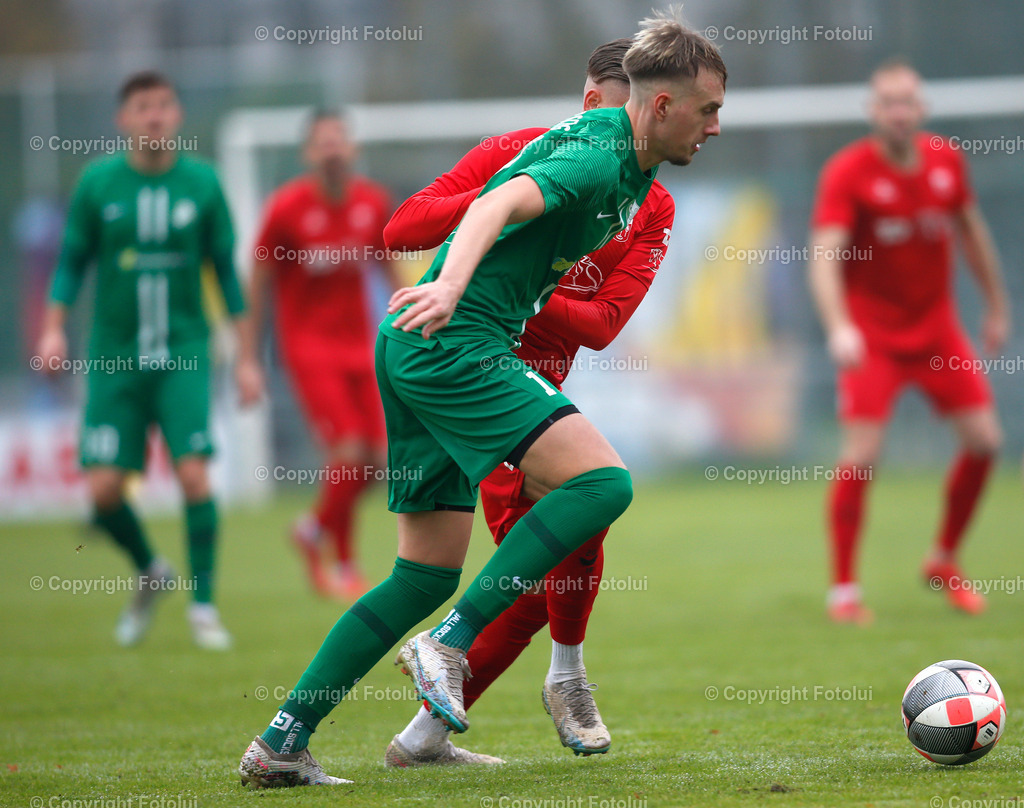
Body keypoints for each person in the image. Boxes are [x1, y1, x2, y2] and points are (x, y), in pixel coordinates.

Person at [239, 10, 724, 786]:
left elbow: (586, 304)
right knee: (603, 483)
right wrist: (450, 288)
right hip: (456, 343)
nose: (717, 127)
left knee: (425, 573)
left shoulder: (636, 175)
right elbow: (491, 206)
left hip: (420, 348)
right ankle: (452, 643)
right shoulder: (601, 156)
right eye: (709, 110)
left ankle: (281, 742)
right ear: (659, 106)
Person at [381, 38, 675, 766]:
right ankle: (553, 676)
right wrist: (497, 211)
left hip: (541, 394)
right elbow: (402, 227)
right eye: (591, 105)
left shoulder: (651, 203)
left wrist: (527, 282)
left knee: (559, 551)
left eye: (610, 113)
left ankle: (420, 733)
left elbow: (604, 325)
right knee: (575, 523)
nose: (596, 125)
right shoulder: (528, 152)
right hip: (474, 374)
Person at [36, 70, 263, 650]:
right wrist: (54, 329)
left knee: (193, 472)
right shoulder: (99, 184)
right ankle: (150, 570)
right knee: (105, 492)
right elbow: (70, 263)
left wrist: (244, 359)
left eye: (164, 104)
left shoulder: (203, 185)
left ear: (177, 115)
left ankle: (204, 607)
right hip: (115, 359)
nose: (155, 116)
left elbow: (227, 277)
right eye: (143, 107)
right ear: (125, 119)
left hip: (185, 352)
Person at [808, 59, 1008, 625]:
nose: (898, 112)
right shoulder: (847, 172)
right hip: (872, 332)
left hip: (937, 327)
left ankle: (943, 558)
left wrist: (996, 304)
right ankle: (844, 591)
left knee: (985, 442)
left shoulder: (946, 160)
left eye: (907, 102)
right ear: (873, 112)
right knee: (863, 453)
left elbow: (972, 233)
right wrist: (839, 325)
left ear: (920, 110)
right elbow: (824, 258)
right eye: (887, 102)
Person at [249, 111, 400, 600]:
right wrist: (247, 355)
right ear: (308, 153)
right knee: (350, 449)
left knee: (379, 460)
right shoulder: (286, 208)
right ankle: (345, 562)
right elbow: (258, 279)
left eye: (340, 140)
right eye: (322, 142)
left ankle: (312, 529)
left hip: (363, 346)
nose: (333, 149)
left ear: (352, 149)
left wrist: (414, 327)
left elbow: (390, 271)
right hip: (310, 350)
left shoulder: (371, 203)